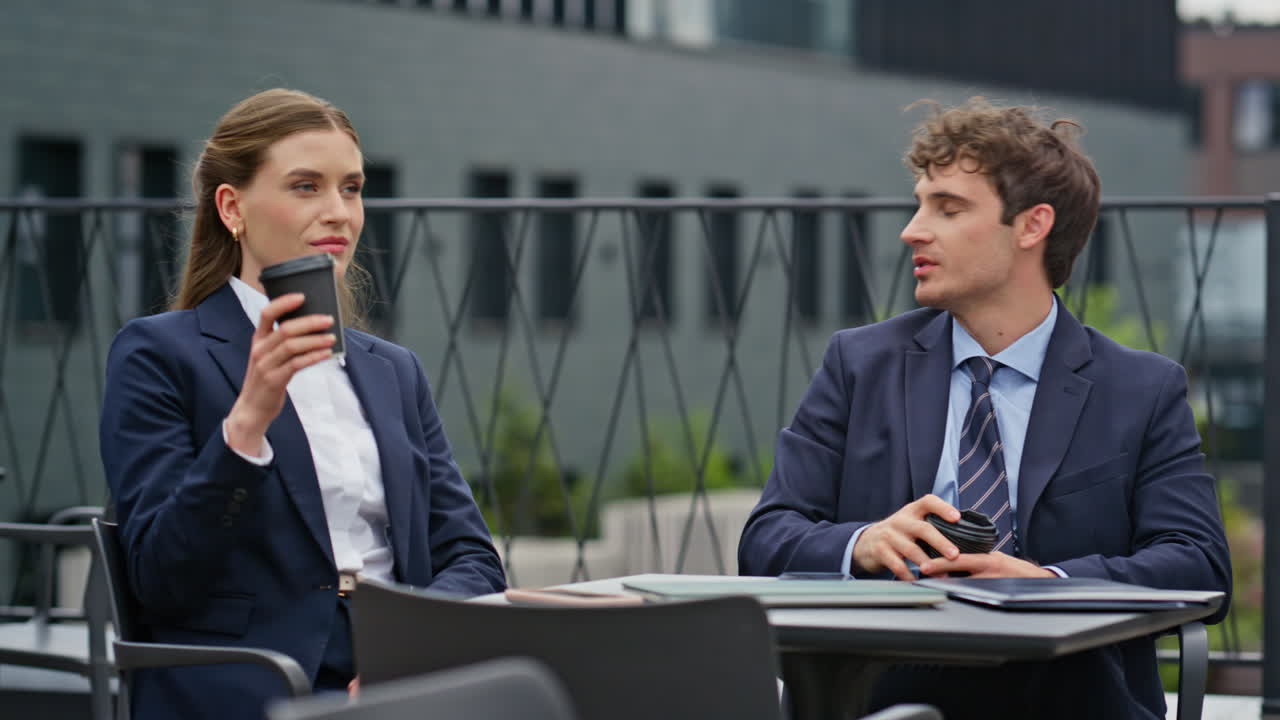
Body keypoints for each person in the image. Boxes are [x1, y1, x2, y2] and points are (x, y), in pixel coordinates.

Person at [737, 98, 1231, 720]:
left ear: (1031, 226)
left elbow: (1198, 564)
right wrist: (866, 543)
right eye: (920, 204)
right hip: (891, 684)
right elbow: (767, 538)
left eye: (948, 208)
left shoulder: (1141, 389)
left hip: (1067, 688)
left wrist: (1047, 587)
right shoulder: (859, 365)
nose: (913, 229)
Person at [99, 88, 506, 720]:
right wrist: (248, 421)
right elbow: (161, 579)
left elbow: (472, 558)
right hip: (255, 679)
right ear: (232, 208)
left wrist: (408, 650)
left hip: (395, 675)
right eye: (306, 187)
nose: (339, 212)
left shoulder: (392, 371)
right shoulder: (159, 354)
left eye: (352, 187)